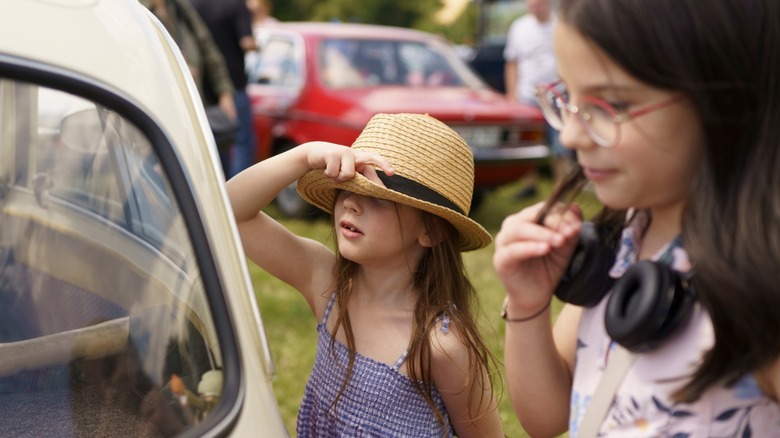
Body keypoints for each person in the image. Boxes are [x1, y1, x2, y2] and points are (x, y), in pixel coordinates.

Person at [494, 0, 780, 436]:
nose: (570, 134)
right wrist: (528, 306)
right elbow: (547, 417)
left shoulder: (759, 292)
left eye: (609, 104)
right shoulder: (615, 249)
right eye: (567, 97)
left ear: (726, 99)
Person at [226, 113, 503, 437]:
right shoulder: (327, 283)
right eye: (347, 188)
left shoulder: (442, 346)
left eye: (377, 199)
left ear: (430, 230)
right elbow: (230, 210)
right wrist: (304, 155)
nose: (352, 204)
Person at [504, 0, 574, 195]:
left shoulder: (563, 24)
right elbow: (512, 63)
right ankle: (529, 185)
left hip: (557, 95)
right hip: (527, 95)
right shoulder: (519, 27)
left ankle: (561, 188)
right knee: (527, 144)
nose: (534, 5)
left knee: (561, 143)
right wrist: (511, 94)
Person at [140, 0, 236, 140]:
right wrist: (176, 71)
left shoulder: (179, 7)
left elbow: (208, 48)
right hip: (159, 115)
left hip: (193, 107)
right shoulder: (135, 10)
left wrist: (224, 92)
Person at [189, 0, 258, 179]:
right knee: (242, 143)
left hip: (203, 88)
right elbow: (247, 42)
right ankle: (237, 193)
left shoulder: (192, 4)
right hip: (232, 86)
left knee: (215, 142)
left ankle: (221, 189)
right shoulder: (236, 5)